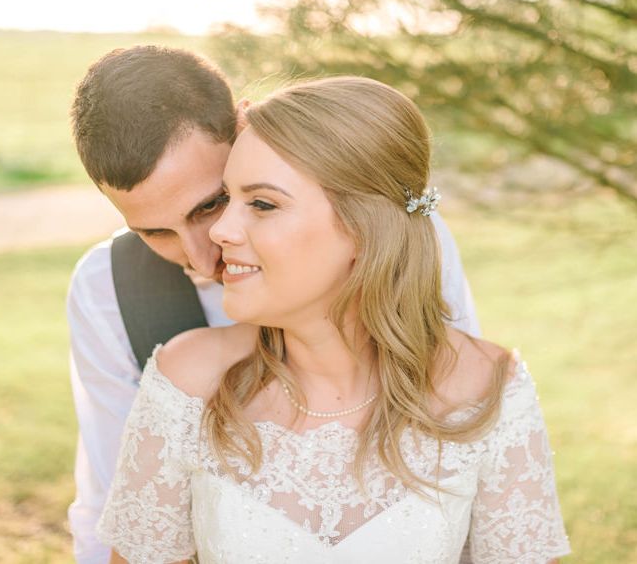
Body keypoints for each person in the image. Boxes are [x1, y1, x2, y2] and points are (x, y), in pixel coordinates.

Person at [97, 77, 570, 563]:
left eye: (261, 203)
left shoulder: (489, 387)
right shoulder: (188, 379)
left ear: (364, 228)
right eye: (228, 198)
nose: (220, 231)